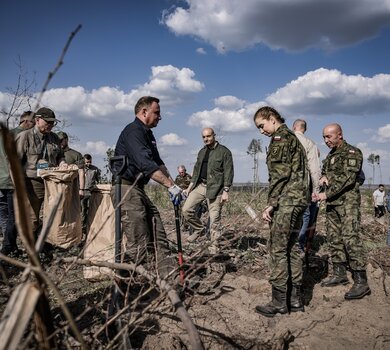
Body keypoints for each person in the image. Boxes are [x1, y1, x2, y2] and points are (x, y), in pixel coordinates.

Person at [111, 96, 182, 280]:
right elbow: (145, 165)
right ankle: (130, 284)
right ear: (144, 112)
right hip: (126, 189)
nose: (160, 117)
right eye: (156, 112)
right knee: (139, 240)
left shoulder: (148, 134)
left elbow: (158, 164)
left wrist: (174, 187)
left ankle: (170, 279)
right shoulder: (133, 131)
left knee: (157, 230)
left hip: (138, 189)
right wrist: (168, 185)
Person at [253, 106, 309, 317]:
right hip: (299, 201)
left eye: (261, 125)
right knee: (293, 248)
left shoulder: (280, 139)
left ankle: (278, 303)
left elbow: (280, 175)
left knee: (277, 250)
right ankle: (295, 300)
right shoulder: (294, 138)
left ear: (272, 118)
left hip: (286, 202)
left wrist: (271, 203)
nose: (261, 131)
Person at [315, 123, 371, 300]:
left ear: (340, 135)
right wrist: (323, 177)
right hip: (333, 204)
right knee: (334, 238)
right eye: (324, 137)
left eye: (329, 137)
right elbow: (326, 173)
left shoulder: (352, 152)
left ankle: (361, 282)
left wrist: (326, 194)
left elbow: (347, 178)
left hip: (347, 204)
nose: (326, 140)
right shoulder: (331, 155)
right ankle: (340, 274)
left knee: (350, 238)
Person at [15, 107, 65, 259]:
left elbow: (60, 156)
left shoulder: (55, 138)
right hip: (31, 182)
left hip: (51, 181)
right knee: (32, 219)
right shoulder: (25, 136)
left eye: (53, 123)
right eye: (47, 122)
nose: (50, 125)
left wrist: (62, 163)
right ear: (37, 120)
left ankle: (44, 245)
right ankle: (31, 252)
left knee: (52, 216)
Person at [181, 128, 233, 253]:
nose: (206, 139)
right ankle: (199, 229)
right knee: (186, 210)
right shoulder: (202, 152)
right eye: (204, 137)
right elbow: (196, 171)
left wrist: (226, 191)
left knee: (214, 220)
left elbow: (229, 172)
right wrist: (189, 189)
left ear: (214, 135)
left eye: (208, 136)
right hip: (201, 186)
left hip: (216, 189)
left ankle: (214, 248)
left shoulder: (224, 152)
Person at [292, 119, 321, 252]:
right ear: (305, 129)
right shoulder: (310, 144)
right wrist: (315, 190)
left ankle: (288, 243)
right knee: (305, 215)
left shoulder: (285, 141)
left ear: (294, 127)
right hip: (303, 188)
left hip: (286, 188)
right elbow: (314, 170)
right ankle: (300, 243)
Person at [0, 128, 19, 256]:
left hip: (2, 180)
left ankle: (11, 246)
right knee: (14, 216)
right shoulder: (17, 135)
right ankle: (8, 246)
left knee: (4, 215)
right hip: (10, 182)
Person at [57, 131, 85, 198]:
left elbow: (81, 172)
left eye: (61, 140)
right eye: (58, 141)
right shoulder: (53, 154)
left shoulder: (76, 155)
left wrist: (81, 189)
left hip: (71, 187)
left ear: (66, 140)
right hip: (56, 187)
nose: (60, 143)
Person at [80, 154, 101, 235]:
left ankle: (90, 228)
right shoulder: (80, 169)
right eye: (87, 162)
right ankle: (82, 228)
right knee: (82, 211)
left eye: (90, 162)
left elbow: (98, 181)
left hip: (91, 192)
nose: (88, 164)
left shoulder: (95, 169)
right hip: (81, 193)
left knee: (91, 210)